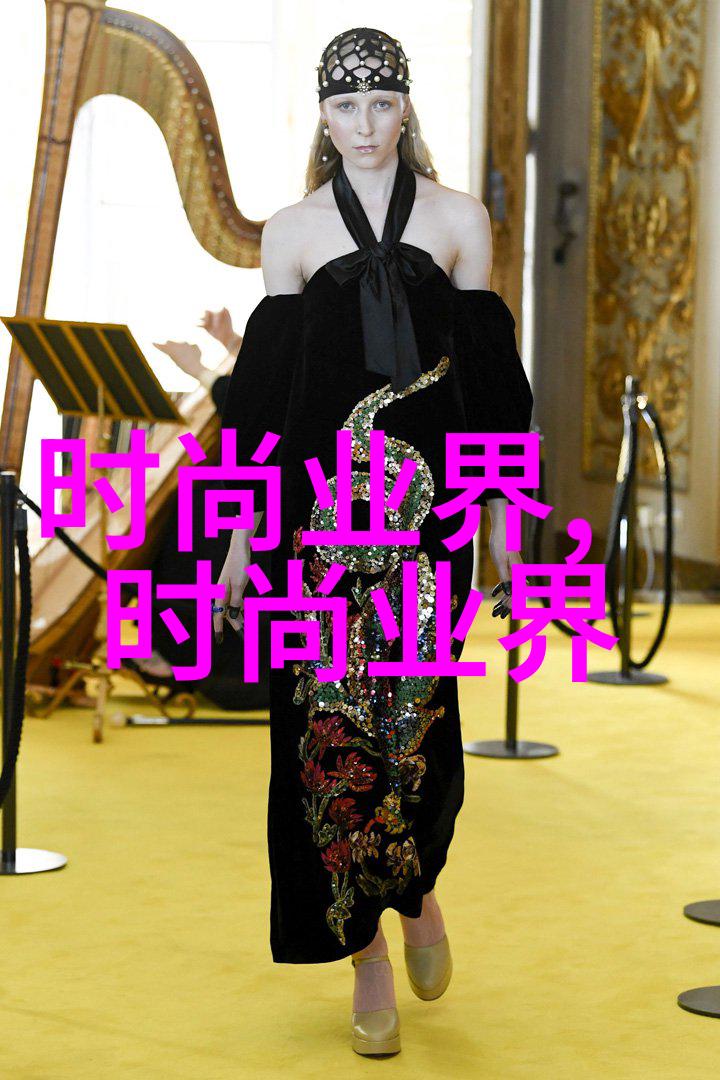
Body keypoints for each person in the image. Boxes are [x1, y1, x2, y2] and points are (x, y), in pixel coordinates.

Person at [215, 26, 533, 1056]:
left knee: (415, 733)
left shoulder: (460, 220)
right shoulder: (292, 232)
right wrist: (238, 538)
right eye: (345, 107)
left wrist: (503, 529)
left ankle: (420, 893)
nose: (364, 125)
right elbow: (265, 405)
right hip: (312, 528)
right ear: (322, 115)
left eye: (381, 104)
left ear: (406, 108)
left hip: (428, 526)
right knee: (324, 740)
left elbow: (492, 396)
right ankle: (365, 958)